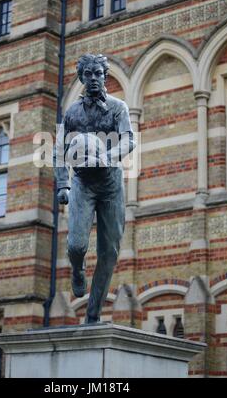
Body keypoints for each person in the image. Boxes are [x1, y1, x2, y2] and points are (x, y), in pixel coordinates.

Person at [54, 53, 136, 324]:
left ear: (105, 76)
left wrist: (107, 157)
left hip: (110, 183)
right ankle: (77, 269)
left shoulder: (117, 108)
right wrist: (63, 184)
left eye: (98, 74)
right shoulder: (72, 114)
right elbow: (59, 151)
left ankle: (93, 312)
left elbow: (128, 141)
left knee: (109, 252)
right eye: (87, 74)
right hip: (82, 183)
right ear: (81, 78)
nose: (93, 79)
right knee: (76, 244)